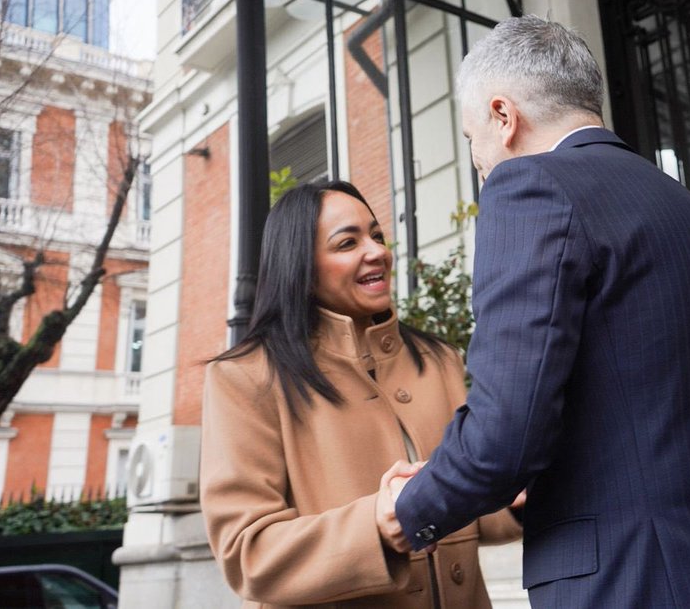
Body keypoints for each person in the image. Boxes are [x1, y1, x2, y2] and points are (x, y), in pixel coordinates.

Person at [387, 16, 690, 607]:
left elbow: (506, 433)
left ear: (504, 117)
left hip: (634, 583)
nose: (478, 161)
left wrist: (412, 508)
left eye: (470, 138)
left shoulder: (528, 187)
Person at [199, 181, 522, 608]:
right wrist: (378, 524)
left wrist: (513, 499)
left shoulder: (437, 359)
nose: (377, 252)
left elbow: (467, 513)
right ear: (301, 266)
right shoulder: (245, 377)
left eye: (377, 236)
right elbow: (248, 553)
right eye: (347, 242)